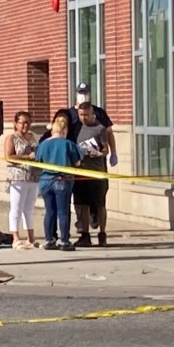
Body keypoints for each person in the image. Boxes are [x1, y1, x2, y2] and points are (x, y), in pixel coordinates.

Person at [35, 112, 82, 251]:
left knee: (50, 211)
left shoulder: (43, 144)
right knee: (63, 211)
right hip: (63, 179)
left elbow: (38, 160)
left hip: (45, 180)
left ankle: (49, 240)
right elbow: (77, 162)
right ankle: (65, 241)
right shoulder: (68, 144)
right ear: (64, 130)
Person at [72, 102, 113, 248]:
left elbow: (105, 149)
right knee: (82, 205)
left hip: (97, 172)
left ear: (92, 114)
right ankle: (85, 234)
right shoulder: (76, 128)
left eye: (87, 115)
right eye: (81, 115)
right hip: (80, 171)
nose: (84, 118)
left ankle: (102, 234)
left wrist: (98, 153)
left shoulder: (100, 128)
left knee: (100, 204)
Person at [4, 110, 39, 249]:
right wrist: (27, 157)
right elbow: (9, 156)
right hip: (18, 177)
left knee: (29, 208)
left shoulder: (34, 137)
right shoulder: (11, 138)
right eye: (22, 122)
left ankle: (31, 237)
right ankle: (15, 237)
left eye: (28, 122)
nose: (25, 125)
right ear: (16, 124)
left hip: (33, 176)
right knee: (16, 208)